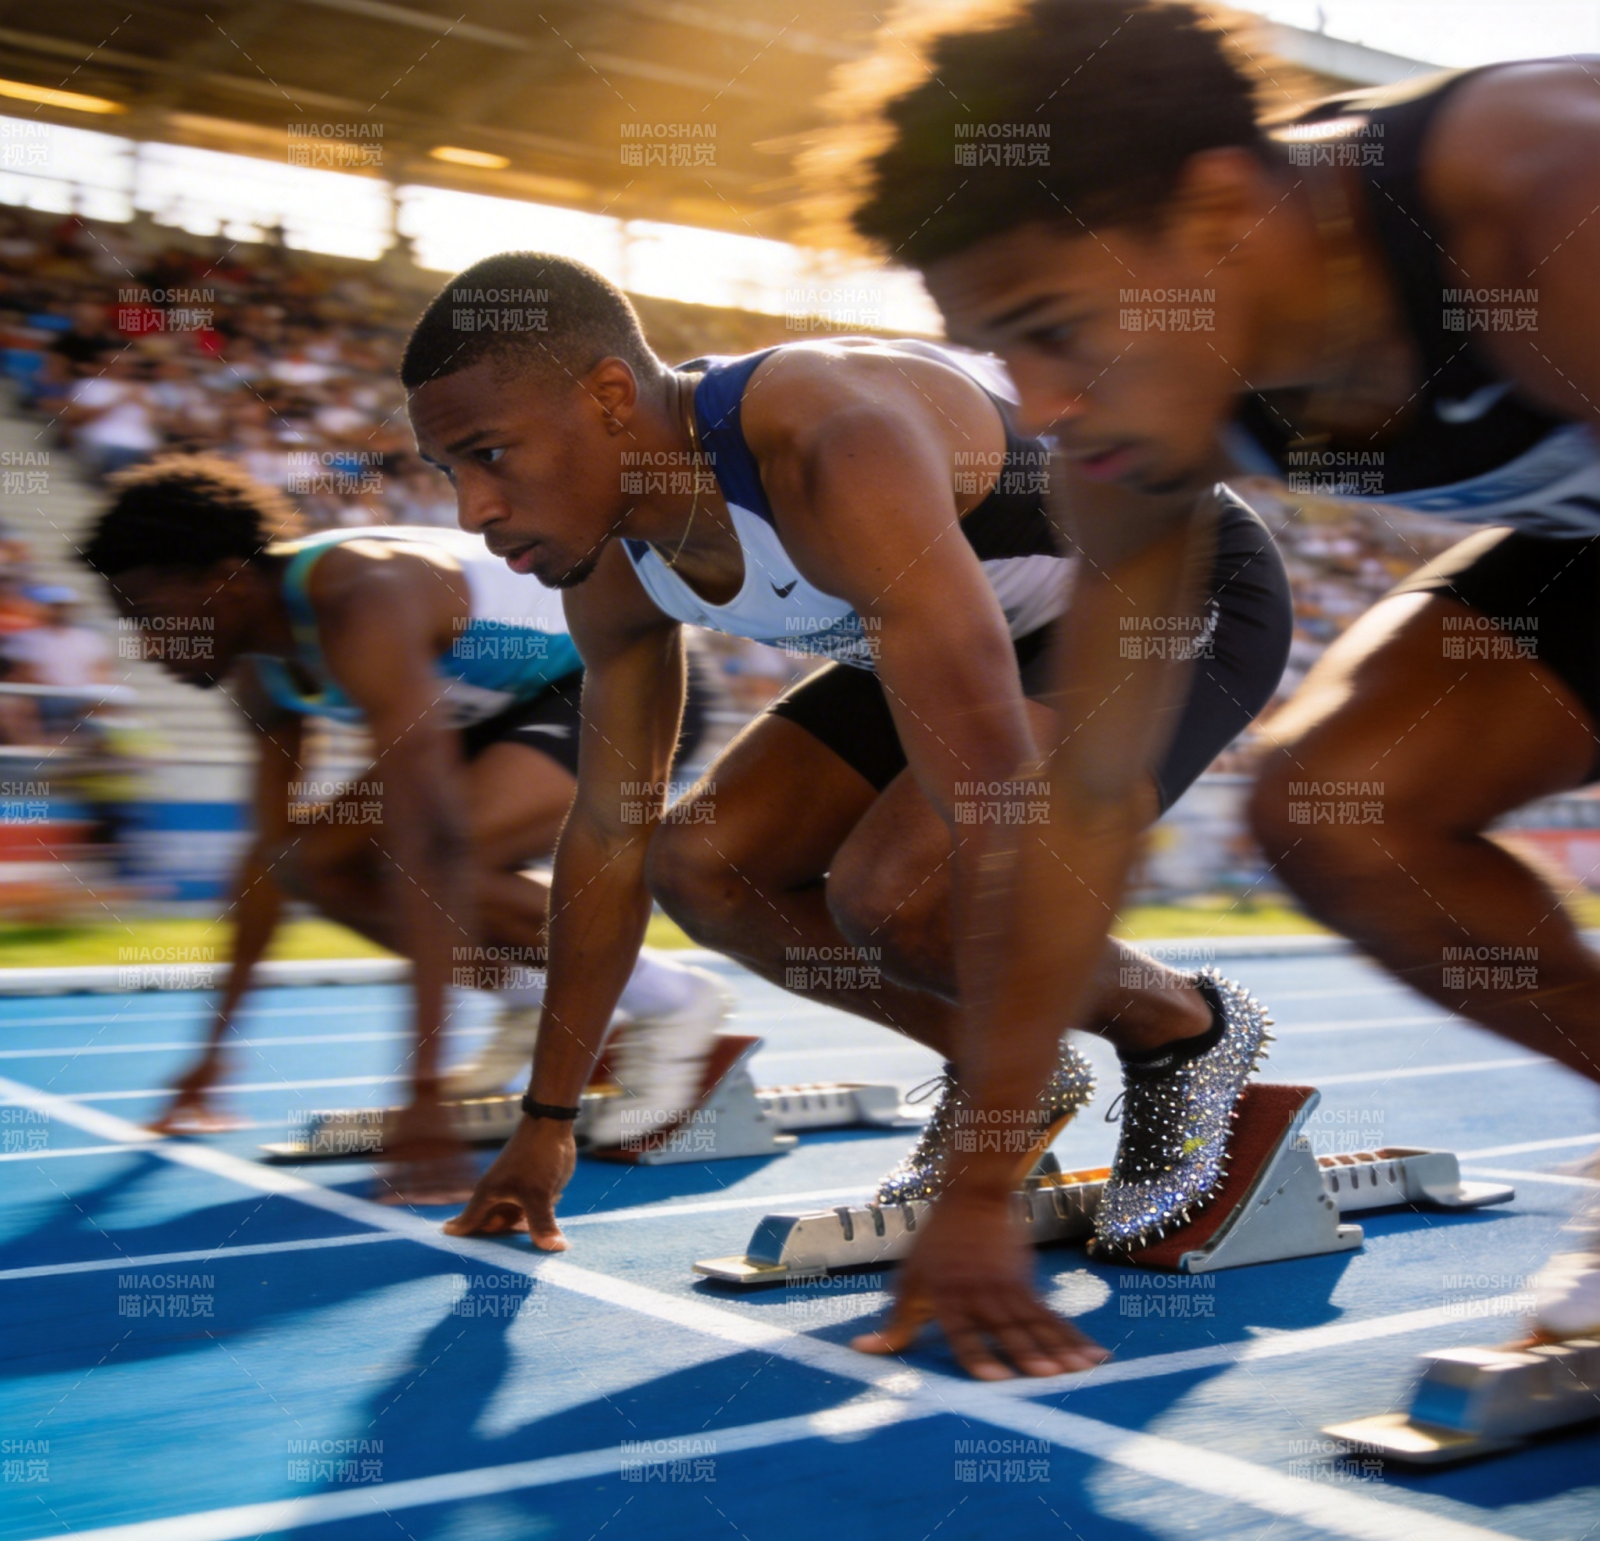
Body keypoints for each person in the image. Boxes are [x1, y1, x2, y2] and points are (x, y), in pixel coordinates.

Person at [839, 0, 1600, 1375]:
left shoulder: (1543, 204)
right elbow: (1086, 804)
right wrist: (981, 1189)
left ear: (1215, 210)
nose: (1042, 405)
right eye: (997, 350)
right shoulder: (1141, 435)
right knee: (1334, 809)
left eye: (1051, 329)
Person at [402, 252, 1290, 1294]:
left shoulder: (830, 438)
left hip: (1163, 597)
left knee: (896, 893)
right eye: (447, 471)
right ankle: (1016, 1065)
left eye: (490, 454)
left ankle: (1183, 1028)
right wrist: (545, 1120)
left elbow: (995, 818)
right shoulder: (603, 558)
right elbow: (607, 833)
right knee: (699, 864)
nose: (471, 509)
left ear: (608, 397)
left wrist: (972, 1191)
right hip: (962, 624)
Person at [83, 453, 725, 1198]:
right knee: (311, 864)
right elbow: (266, 863)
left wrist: (423, 1092)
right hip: (481, 710)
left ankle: (673, 1000)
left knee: (439, 857)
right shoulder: (262, 672)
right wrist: (213, 1053)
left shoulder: (361, 593)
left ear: (225, 578)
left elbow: (435, 846)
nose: (148, 648)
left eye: (149, 615)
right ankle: (528, 993)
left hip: (607, 673)